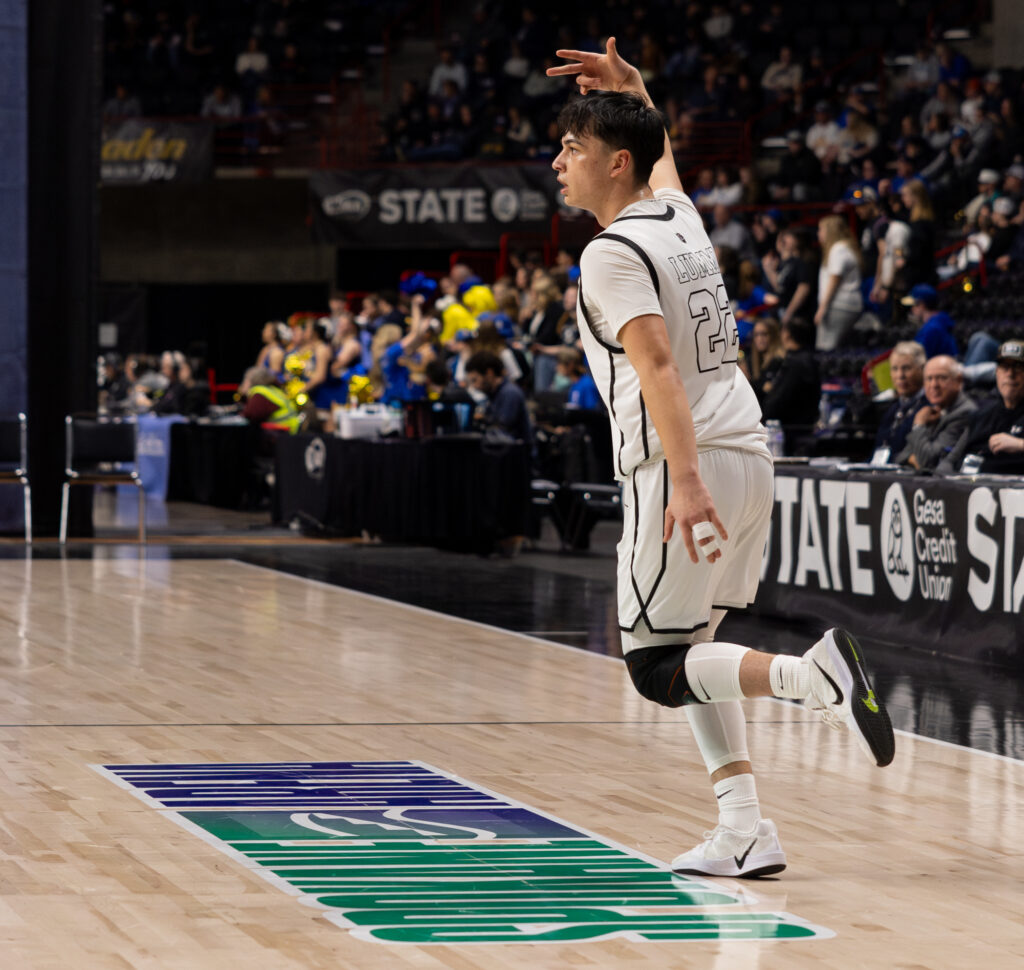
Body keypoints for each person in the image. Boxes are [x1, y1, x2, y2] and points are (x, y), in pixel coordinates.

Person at [546, 36, 894, 880]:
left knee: (656, 667)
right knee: (696, 644)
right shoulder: (677, 215)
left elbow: (657, 364)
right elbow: (662, 157)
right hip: (747, 447)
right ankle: (743, 828)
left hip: (684, 464)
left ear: (615, 161)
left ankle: (811, 678)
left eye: (573, 147)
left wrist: (686, 482)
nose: (559, 160)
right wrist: (633, 87)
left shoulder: (610, 251)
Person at [940, 340, 1024, 474]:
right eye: (1004, 367)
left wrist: (1020, 444)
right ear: (997, 373)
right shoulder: (980, 416)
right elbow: (951, 461)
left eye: (1018, 367)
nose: (1010, 374)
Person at [894, 355, 976, 470]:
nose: (934, 385)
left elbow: (929, 462)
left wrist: (918, 425)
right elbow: (900, 457)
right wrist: (911, 458)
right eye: (929, 379)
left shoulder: (965, 412)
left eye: (942, 378)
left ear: (958, 381)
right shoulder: (932, 411)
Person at [814, 214, 863, 350]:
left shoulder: (838, 249)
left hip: (838, 305)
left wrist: (822, 308)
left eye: (821, 229)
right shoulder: (845, 248)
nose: (819, 234)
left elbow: (835, 279)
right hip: (844, 305)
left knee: (826, 347)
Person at [464, 350, 533, 446]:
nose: (474, 386)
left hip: (516, 456)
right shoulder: (494, 394)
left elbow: (502, 432)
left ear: (489, 373)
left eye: (475, 380)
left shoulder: (510, 393)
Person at [874, 341, 926, 461]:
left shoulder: (929, 408)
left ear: (922, 369)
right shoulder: (892, 408)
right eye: (894, 369)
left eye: (906, 368)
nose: (900, 375)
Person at [900, 284, 958, 358]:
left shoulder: (932, 329)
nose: (912, 309)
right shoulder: (938, 322)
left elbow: (916, 359)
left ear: (922, 304)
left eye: (914, 305)